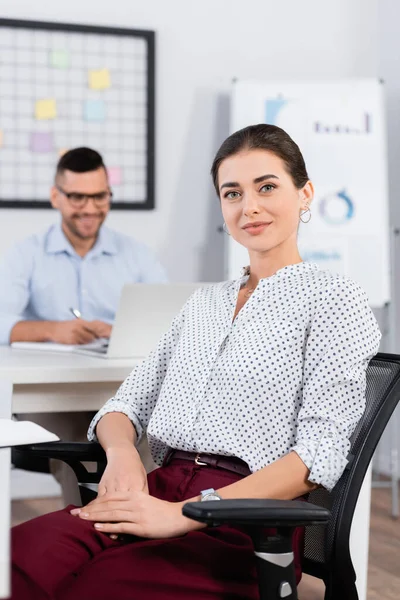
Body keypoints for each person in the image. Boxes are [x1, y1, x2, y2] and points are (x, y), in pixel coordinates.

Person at [11, 125, 381, 600]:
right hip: (152, 491)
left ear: (304, 193)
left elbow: (318, 456)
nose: (249, 206)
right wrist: (123, 454)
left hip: (243, 522)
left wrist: (186, 512)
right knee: (19, 559)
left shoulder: (335, 300)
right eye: (233, 193)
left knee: (93, 588)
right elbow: (125, 406)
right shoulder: (202, 305)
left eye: (267, 186)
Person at [1, 147, 166, 503]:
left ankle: (143, 529)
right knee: (78, 441)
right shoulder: (26, 254)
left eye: (99, 196)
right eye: (77, 197)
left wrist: (118, 329)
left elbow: (169, 320)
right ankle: (85, 529)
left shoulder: (136, 254)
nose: (90, 207)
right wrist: (52, 330)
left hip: (120, 385)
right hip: (55, 392)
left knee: (152, 436)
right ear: (56, 196)